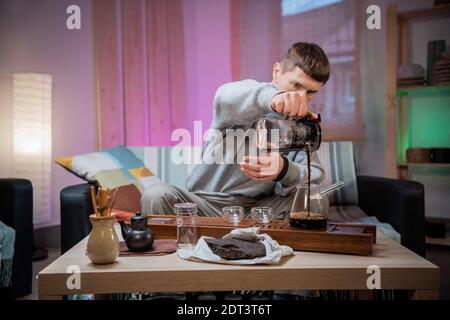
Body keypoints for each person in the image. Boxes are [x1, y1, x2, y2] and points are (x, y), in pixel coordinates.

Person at [141, 42, 330, 220]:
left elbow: (315, 173)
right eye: (296, 85)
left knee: (314, 202)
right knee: (155, 195)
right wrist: (274, 98)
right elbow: (224, 96)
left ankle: (249, 240)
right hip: (203, 205)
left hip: (257, 210)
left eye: (310, 92)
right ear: (277, 71)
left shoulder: (300, 125)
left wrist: (284, 170)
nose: (301, 97)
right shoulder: (245, 103)